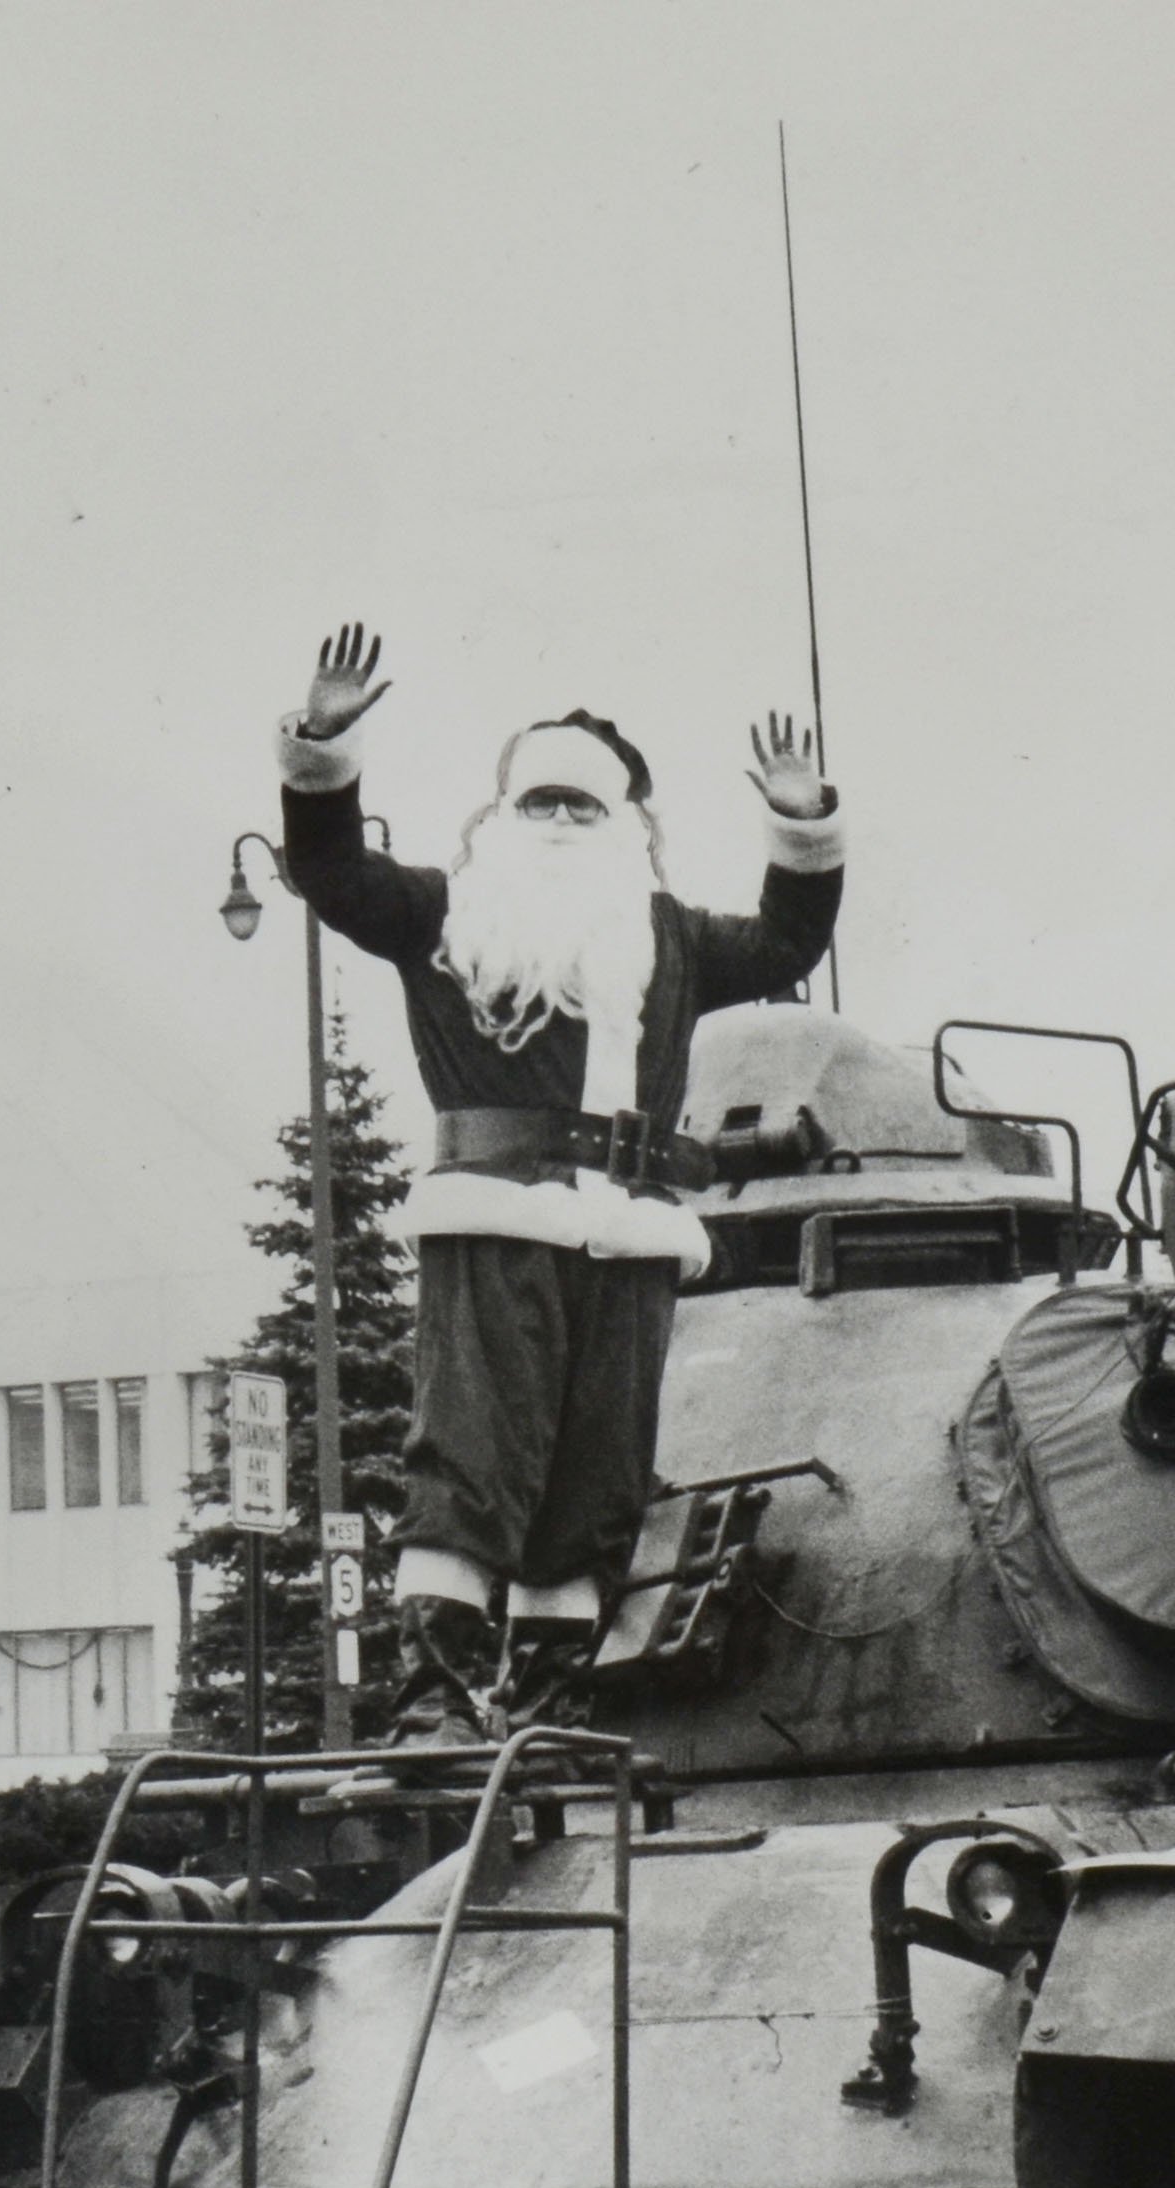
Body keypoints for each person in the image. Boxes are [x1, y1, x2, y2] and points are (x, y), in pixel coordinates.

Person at [274, 622, 842, 1733]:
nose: (560, 822)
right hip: (495, 1219)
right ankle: (435, 1700)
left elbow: (786, 943)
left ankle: (542, 1707)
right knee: (476, 1455)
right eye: (539, 803)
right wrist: (321, 748)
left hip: (629, 1233)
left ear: (624, 826)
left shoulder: (671, 939)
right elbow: (331, 871)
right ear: (501, 817)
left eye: (582, 806)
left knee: (596, 1481)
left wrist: (801, 821)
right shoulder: (443, 915)